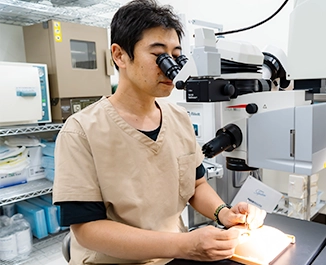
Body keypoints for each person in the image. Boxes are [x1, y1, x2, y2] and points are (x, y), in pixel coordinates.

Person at [53, 0, 266, 264]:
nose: (170, 67)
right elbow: (86, 230)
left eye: (176, 56)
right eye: (159, 55)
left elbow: (196, 185)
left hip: (173, 256)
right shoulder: (81, 131)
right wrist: (185, 245)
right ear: (119, 55)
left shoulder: (180, 119)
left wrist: (223, 213)